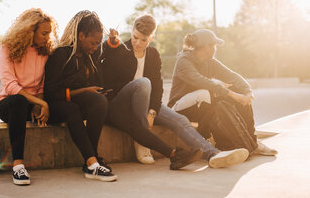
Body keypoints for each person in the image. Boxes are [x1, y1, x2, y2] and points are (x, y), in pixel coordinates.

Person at [100, 14, 249, 169]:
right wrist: (109, 44)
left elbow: (158, 89)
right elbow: (102, 60)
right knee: (143, 83)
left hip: (146, 104)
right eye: (134, 37)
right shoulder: (119, 50)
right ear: (131, 31)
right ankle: (141, 143)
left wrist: (152, 112)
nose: (137, 43)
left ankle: (213, 154)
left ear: (151, 38)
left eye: (143, 40)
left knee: (180, 120)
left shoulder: (153, 55)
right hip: (121, 104)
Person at [168, 28, 277, 156]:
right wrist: (232, 95)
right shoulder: (184, 62)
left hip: (203, 106)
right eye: (214, 46)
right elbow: (203, 82)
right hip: (179, 109)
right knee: (206, 93)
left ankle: (252, 141)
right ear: (206, 47)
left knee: (232, 93)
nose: (216, 49)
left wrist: (246, 92)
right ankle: (210, 141)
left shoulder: (210, 62)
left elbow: (232, 76)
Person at [44, 10, 117, 182]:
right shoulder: (60, 54)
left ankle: (91, 159)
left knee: (100, 101)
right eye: (92, 43)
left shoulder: (88, 57)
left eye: (98, 44)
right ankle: (92, 162)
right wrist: (84, 91)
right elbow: (51, 93)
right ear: (81, 35)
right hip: (56, 106)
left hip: (76, 102)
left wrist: (96, 90)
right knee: (72, 109)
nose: (95, 47)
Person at [0, 8, 58, 185]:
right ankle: (18, 166)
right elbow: (10, 86)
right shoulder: (7, 48)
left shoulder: (45, 51)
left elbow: (42, 84)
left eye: (49, 33)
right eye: (44, 33)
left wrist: (40, 102)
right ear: (30, 31)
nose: (48, 37)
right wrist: (39, 102)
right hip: (9, 104)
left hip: (33, 103)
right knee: (18, 101)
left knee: (30, 102)